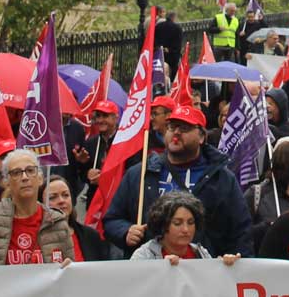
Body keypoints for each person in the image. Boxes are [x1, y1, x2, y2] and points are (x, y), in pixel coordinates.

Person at [105, 103, 251, 257]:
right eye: (172, 127)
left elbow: (241, 231)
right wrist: (126, 231)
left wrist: (235, 264)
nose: (176, 133)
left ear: (201, 137)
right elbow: (111, 219)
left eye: (185, 128)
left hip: (202, 270)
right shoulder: (140, 173)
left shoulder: (222, 179)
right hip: (150, 271)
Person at [0, 148, 72, 265]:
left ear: (40, 179)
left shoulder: (57, 222)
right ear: (6, 182)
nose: (24, 177)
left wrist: (68, 268)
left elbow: (69, 271)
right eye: (16, 173)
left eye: (30, 170)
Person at [131, 191, 240, 263]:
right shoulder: (143, 256)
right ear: (163, 224)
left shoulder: (202, 253)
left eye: (191, 222)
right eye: (177, 223)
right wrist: (162, 270)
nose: (185, 229)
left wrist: (225, 268)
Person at [45, 175, 106, 261]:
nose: (61, 201)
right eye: (52, 197)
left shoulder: (91, 236)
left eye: (65, 195)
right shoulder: (34, 237)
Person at [67, 100, 119, 196]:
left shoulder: (124, 142)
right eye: (98, 116)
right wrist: (85, 168)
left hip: (117, 198)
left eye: (105, 116)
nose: (100, 120)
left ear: (115, 118)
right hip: (94, 199)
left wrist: (105, 179)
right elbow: (82, 175)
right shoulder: (90, 143)